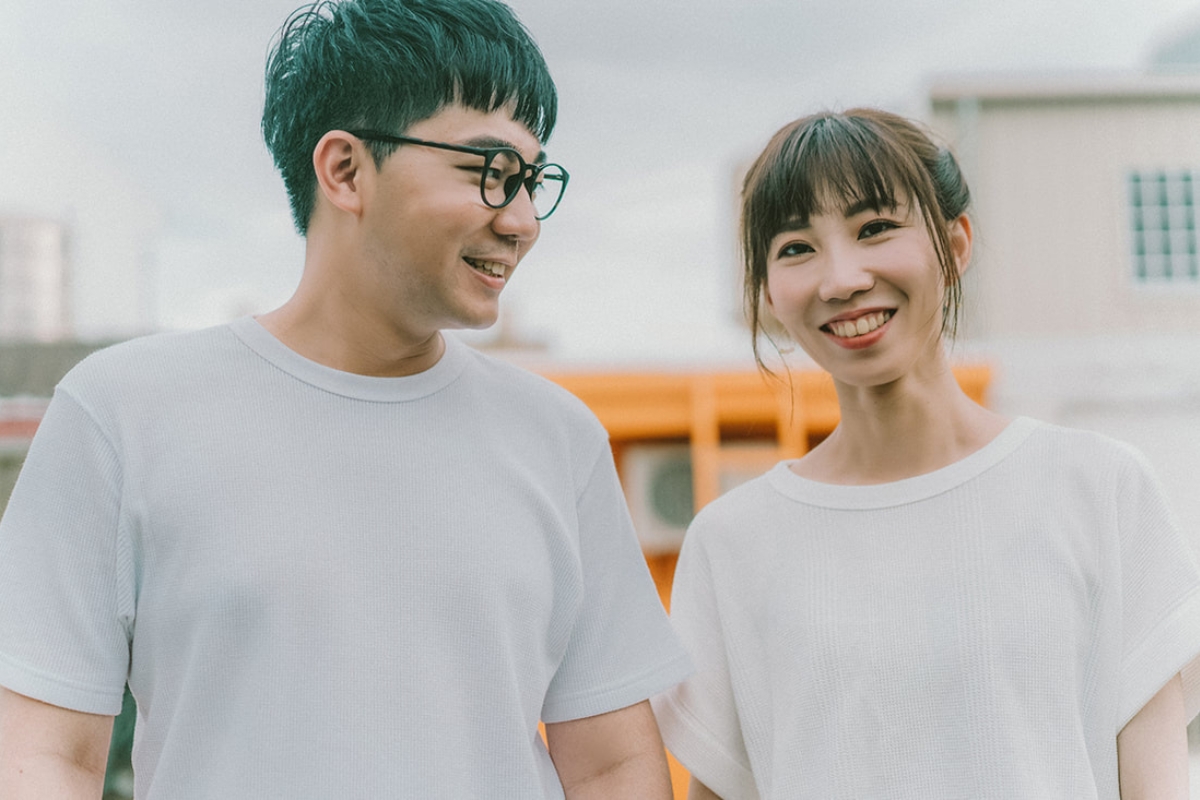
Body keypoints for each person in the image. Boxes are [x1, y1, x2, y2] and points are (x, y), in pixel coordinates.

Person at [0, 1, 692, 797]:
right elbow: (44, 757)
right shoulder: (120, 414)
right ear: (345, 170)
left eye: (533, 181)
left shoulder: (557, 437)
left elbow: (612, 765)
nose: (525, 221)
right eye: (492, 174)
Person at [651, 108, 1200, 799]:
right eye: (796, 247)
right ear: (767, 290)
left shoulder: (1099, 488)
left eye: (875, 228)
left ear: (955, 244)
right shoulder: (731, 544)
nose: (842, 278)